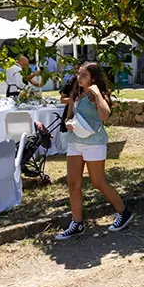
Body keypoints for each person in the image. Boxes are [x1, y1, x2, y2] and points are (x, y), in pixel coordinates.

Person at [55, 62, 133, 240]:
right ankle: (77, 223)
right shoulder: (76, 92)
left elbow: (105, 116)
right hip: (75, 142)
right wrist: (68, 123)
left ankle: (123, 212)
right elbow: (69, 116)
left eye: (84, 75)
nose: (79, 78)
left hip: (94, 143)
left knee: (98, 182)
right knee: (73, 183)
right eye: (79, 74)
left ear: (93, 78)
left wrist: (97, 94)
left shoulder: (98, 95)